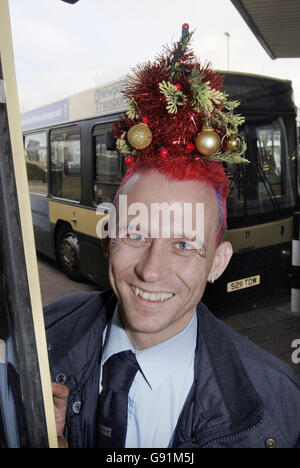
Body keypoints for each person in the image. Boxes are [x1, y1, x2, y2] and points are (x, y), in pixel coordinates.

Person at [46, 25, 300, 448]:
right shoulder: (42, 339)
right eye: (135, 235)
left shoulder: (279, 408)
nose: (150, 270)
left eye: (183, 245)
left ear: (217, 261)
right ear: (107, 239)